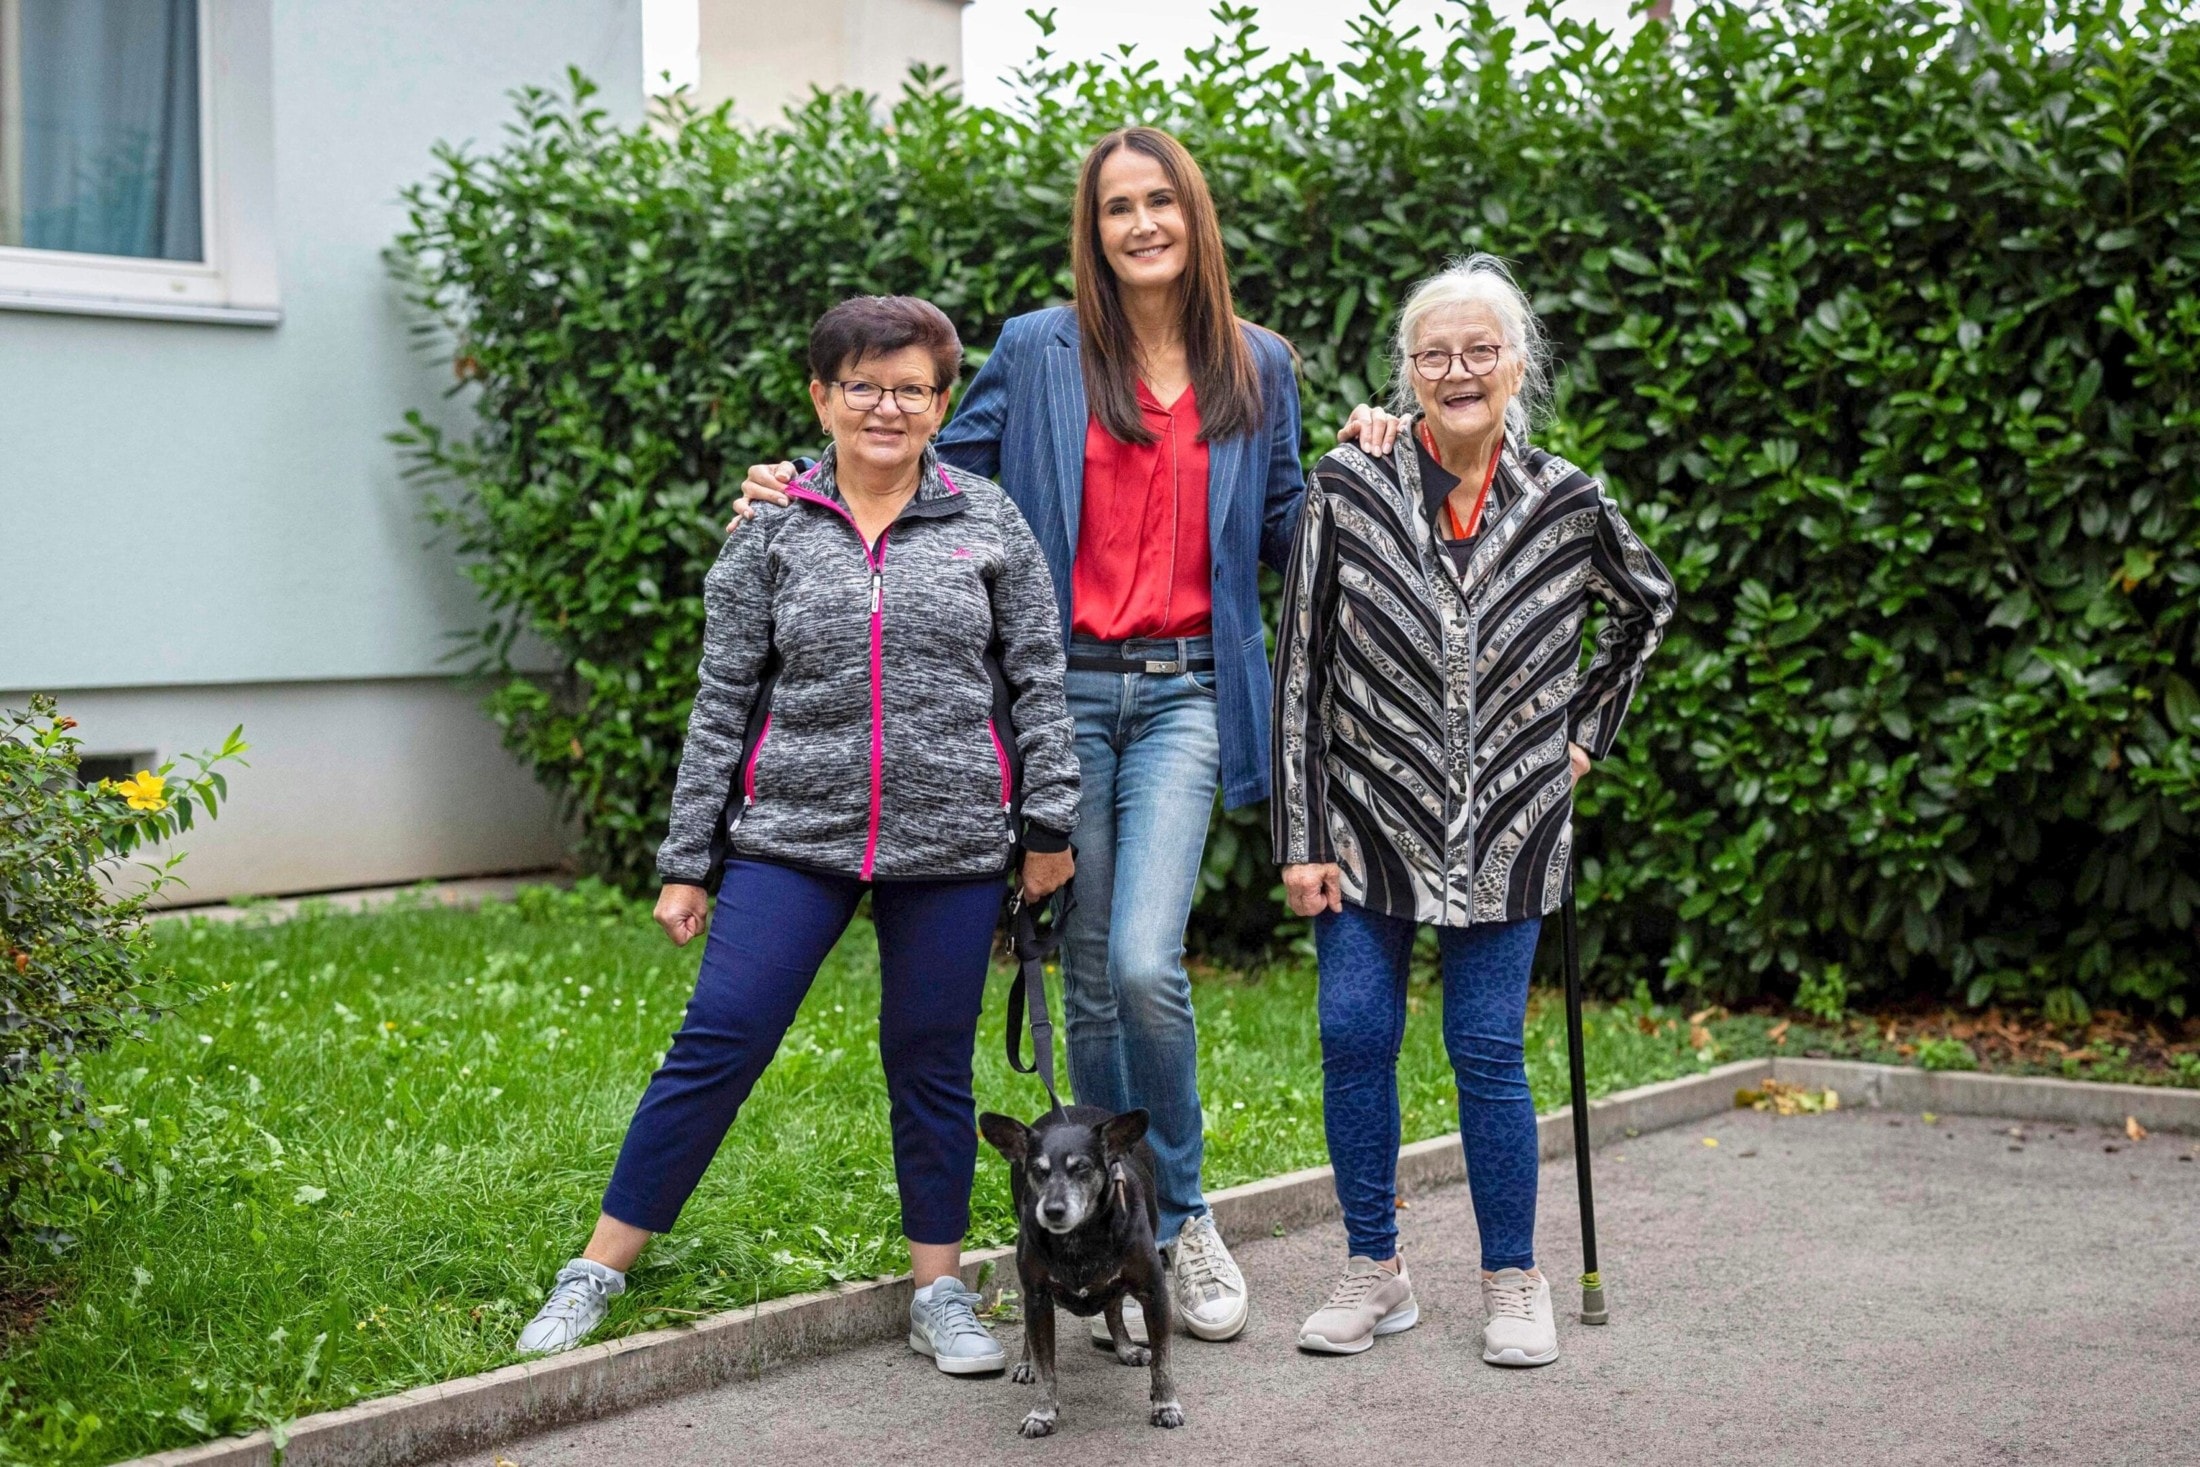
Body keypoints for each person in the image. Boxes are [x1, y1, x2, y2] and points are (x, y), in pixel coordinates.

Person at [735, 127, 1403, 1345]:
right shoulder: (1039, 351)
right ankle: (1109, 1226)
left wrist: (1370, 465)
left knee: (1144, 963)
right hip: (1059, 694)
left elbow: (1290, 526)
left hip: (1188, 694)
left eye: (1160, 203)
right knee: (1089, 972)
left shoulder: (1256, 366)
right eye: (1115, 209)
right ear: (1092, 232)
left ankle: (1185, 1214)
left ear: (1193, 219)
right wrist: (805, 488)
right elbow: (929, 465)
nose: (1140, 224)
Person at [516, 295, 1080, 1375]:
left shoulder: (988, 521)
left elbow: (1038, 682)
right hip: (790, 836)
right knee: (720, 1036)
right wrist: (689, 862)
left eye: (910, 387)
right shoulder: (770, 526)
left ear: (941, 403)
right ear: (821, 398)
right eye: (861, 385)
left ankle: (939, 1290)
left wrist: (1048, 822)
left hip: (953, 840)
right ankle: (599, 1266)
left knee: (929, 1064)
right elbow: (722, 698)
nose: (885, 406)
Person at [1271, 255, 1676, 1365]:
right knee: (1355, 1035)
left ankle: (1511, 1278)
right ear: (1406, 370)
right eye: (1434, 353)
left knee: (1486, 1046)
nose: (1457, 370)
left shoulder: (1567, 498)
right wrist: (1299, 838)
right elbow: (1300, 663)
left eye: (1479, 350)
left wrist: (1587, 732)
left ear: (1516, 365)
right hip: (1362, 813)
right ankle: (1374, 1268)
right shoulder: (1347, 485)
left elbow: (1647, 609)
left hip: (1509, 823)